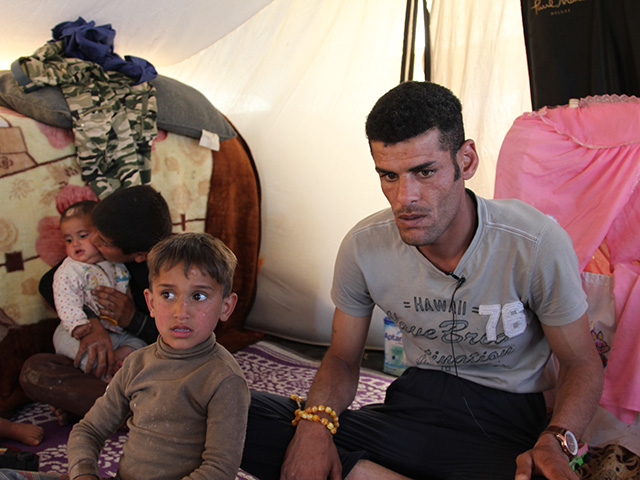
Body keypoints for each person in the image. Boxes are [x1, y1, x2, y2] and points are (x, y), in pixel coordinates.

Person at [240, 81, 604, 480]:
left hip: (502, 425)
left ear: (466, 161)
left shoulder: (533, 243)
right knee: (228, 414)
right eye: (389, 176)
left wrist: (556, 440)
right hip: (408, 411)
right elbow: (342, 358)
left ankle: (360, 472)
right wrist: (314, 427)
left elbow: (581, 362)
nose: (405, 198)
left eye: (424, 172)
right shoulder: (363, 246)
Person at [67, 232, 249, 480]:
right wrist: (83, 475)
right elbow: (88, 430)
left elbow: (219, 469)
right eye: (167, 295)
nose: (181, 312)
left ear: (226, 307)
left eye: (198, 296)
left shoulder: (224, 380)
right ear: (151, 303)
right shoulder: (136, 364)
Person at [20, 185, 172, 421]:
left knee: (165, 367)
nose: (91, 240)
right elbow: (49, 283)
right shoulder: (102, 250)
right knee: (35, 370)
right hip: (100, 359)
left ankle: (115, 410)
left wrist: (133, 319)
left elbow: (181, 338)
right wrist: (92, 324)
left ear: (139, 256)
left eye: (103, 241)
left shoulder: (171, 274)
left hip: (137, 357)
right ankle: (125, 409)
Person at [52, 200, 145, 380]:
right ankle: (104, 375)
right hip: (82, 330)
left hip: (117, 332)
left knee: (140, 346)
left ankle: (115, 365)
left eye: (82, 236)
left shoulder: (116, 263)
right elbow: (64, 297)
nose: (75, 244)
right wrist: (79, 325)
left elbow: (127, 291)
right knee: (64, 340)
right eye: (69, 240)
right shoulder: (70, 269)